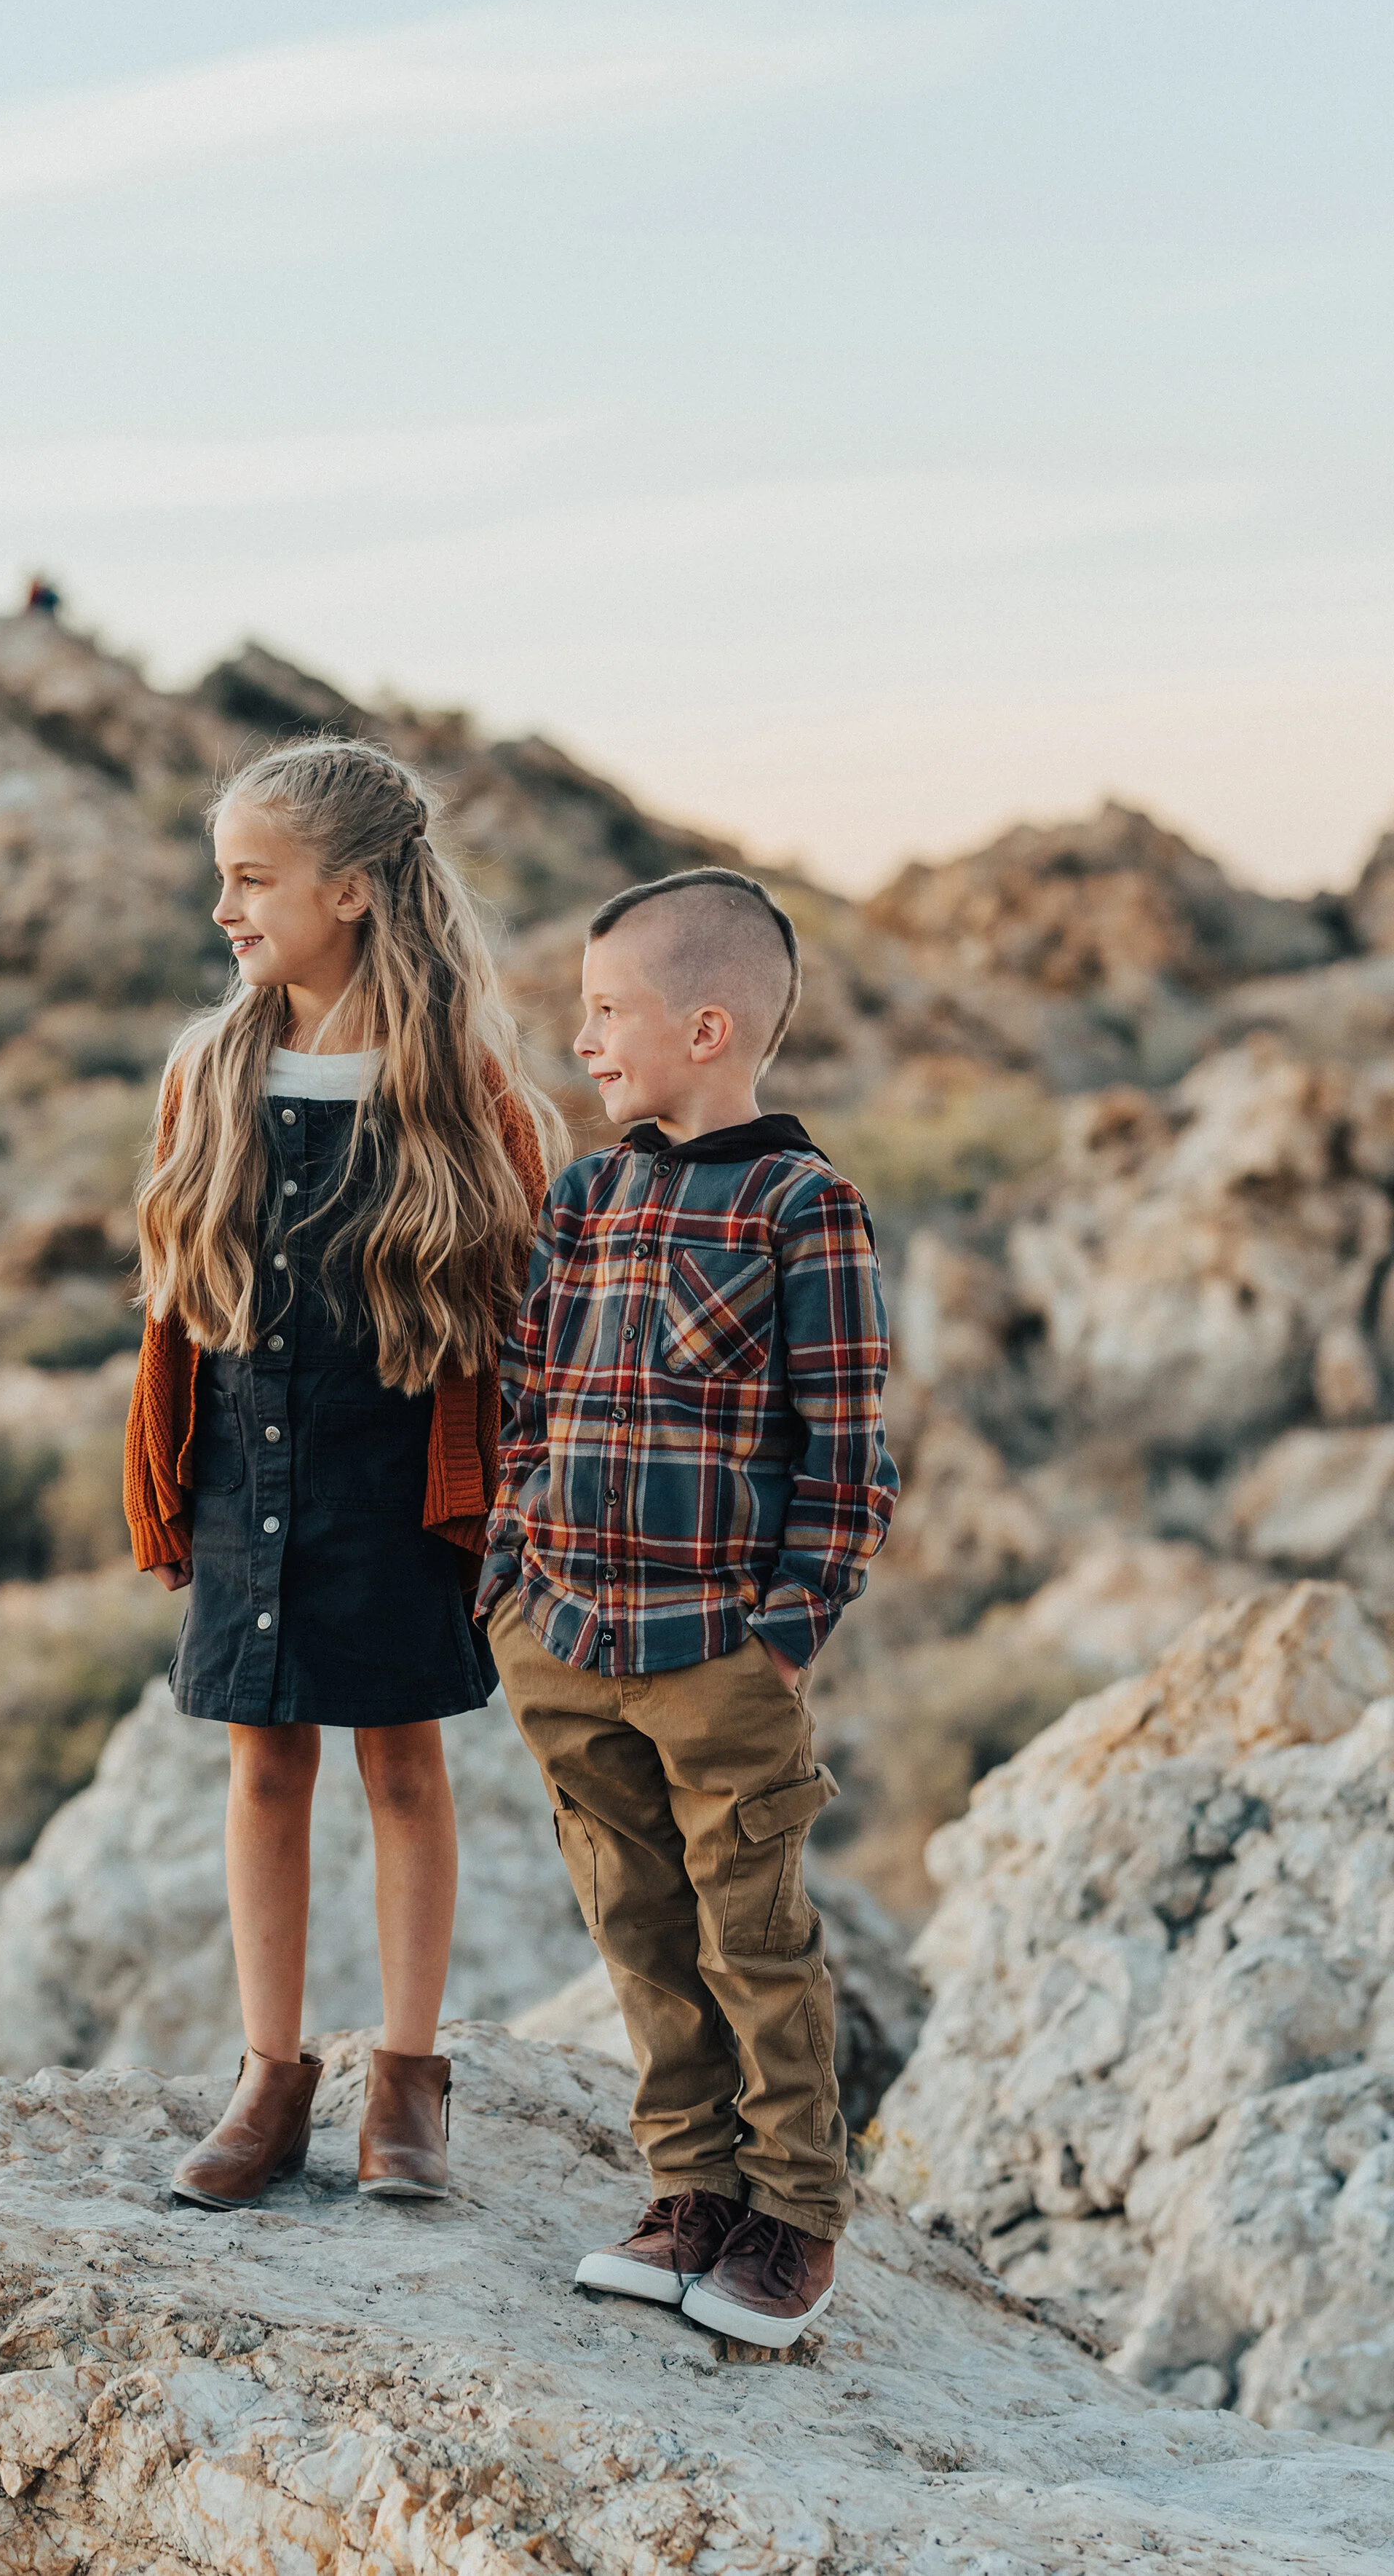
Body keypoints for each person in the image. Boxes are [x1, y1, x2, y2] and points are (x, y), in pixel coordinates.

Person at [124, 738, 561, 2209]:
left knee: (403, 1767)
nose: (225, 911)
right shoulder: (213, 1066)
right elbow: (173, 1308)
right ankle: (271, 2075)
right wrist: (165, 1480)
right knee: (261, 1764)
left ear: (355, 894)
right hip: (253, 1473)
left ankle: (409, 2082)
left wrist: (505, 1509)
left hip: (397, 1486)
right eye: (223, 879)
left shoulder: (463, 1088)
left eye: (252, 881)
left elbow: (520, 1332)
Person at [478, 866, 898, 2348]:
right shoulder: (587, 1195)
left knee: (753, 1937)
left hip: (718, 1648)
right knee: (637, 1927)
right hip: (567, 1637)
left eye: (609, 1012)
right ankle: (689, 2194)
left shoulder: (805, 1206)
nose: (583, 1040)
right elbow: (527, 1403)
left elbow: (848, 1456)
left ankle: (794, 2217)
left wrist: (783, 1636)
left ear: (707, 1028)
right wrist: (507, 1589)